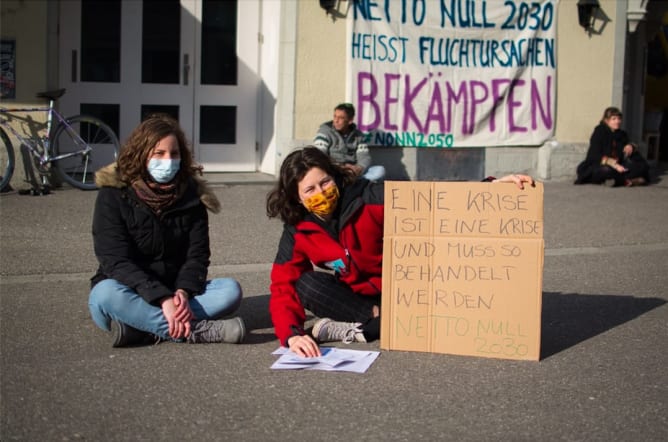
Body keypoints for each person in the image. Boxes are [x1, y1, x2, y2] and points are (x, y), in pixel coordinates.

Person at [266, 146, 534, 357]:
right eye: (310, 190)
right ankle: (380, 321)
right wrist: (292, 335)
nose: (321, 193)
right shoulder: (297, 228)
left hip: (406, 289)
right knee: (306, 284)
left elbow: (432, 198)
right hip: (363, 301)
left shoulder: (370, 198)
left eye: (324, 183)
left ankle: (376, 327)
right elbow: (282, 285)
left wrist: (490, 187)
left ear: (334, 176)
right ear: (296, 197)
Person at [88, 115, 246, 347]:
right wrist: (161, 297)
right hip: (127, 291)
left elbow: (197, 256)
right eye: (158, 153)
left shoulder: (191, 196)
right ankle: (195, 331)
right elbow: (114, 260)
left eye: (174, 154)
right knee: (104, 294)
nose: (168, 160)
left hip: (175, 292)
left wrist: (182, 292)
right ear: (141, 154)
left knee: (230, 291)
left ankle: (143, 328)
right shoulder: (113, 195)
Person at [574, 106, 650, 186]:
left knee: (642, 166)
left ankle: (617, 180)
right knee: (605, 170)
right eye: (613, 119)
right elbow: (594, 155)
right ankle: (626, 181)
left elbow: (629, 143)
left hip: (619, 165)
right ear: (606, 120)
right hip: (599, 164)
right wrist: (614, 165)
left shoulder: (622, 134)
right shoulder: (599, 131)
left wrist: (630, 146)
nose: (617, 121)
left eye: (619, 119)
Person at [313, 102, 385, 181]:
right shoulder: (325, 132)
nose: (336, 120)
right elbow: (319, 155)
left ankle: (352, 182)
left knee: (380, 170)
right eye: (335, 116)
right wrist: (339, 167)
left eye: (341, 118)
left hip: (352, 172)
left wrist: (358, 168)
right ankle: (354, 183)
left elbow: (364, 157)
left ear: (350, 120)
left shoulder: (358, 135)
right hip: (333, 170)